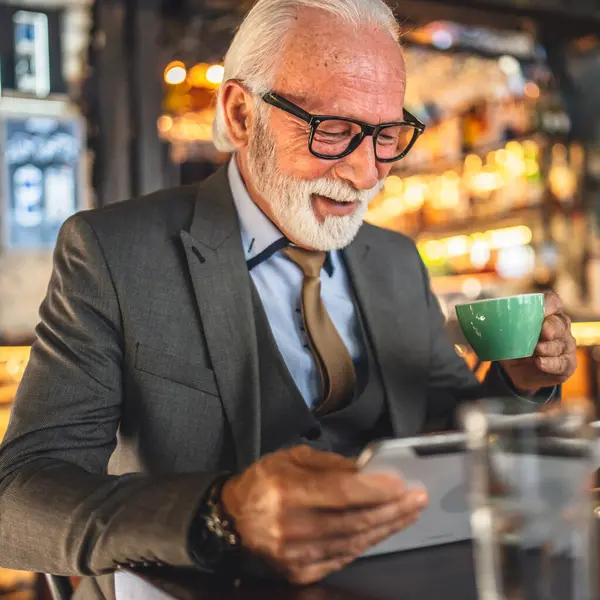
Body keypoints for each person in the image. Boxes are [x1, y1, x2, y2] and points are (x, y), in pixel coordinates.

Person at [0, 0, 577, 598]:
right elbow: (18, 498)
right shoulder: (115, 252)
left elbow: (445, 429)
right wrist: (220, 516)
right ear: (241, 112)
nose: (365, 173)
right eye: (332, 131)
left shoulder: (398, 261)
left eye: (386, 135)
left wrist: (518, 381)